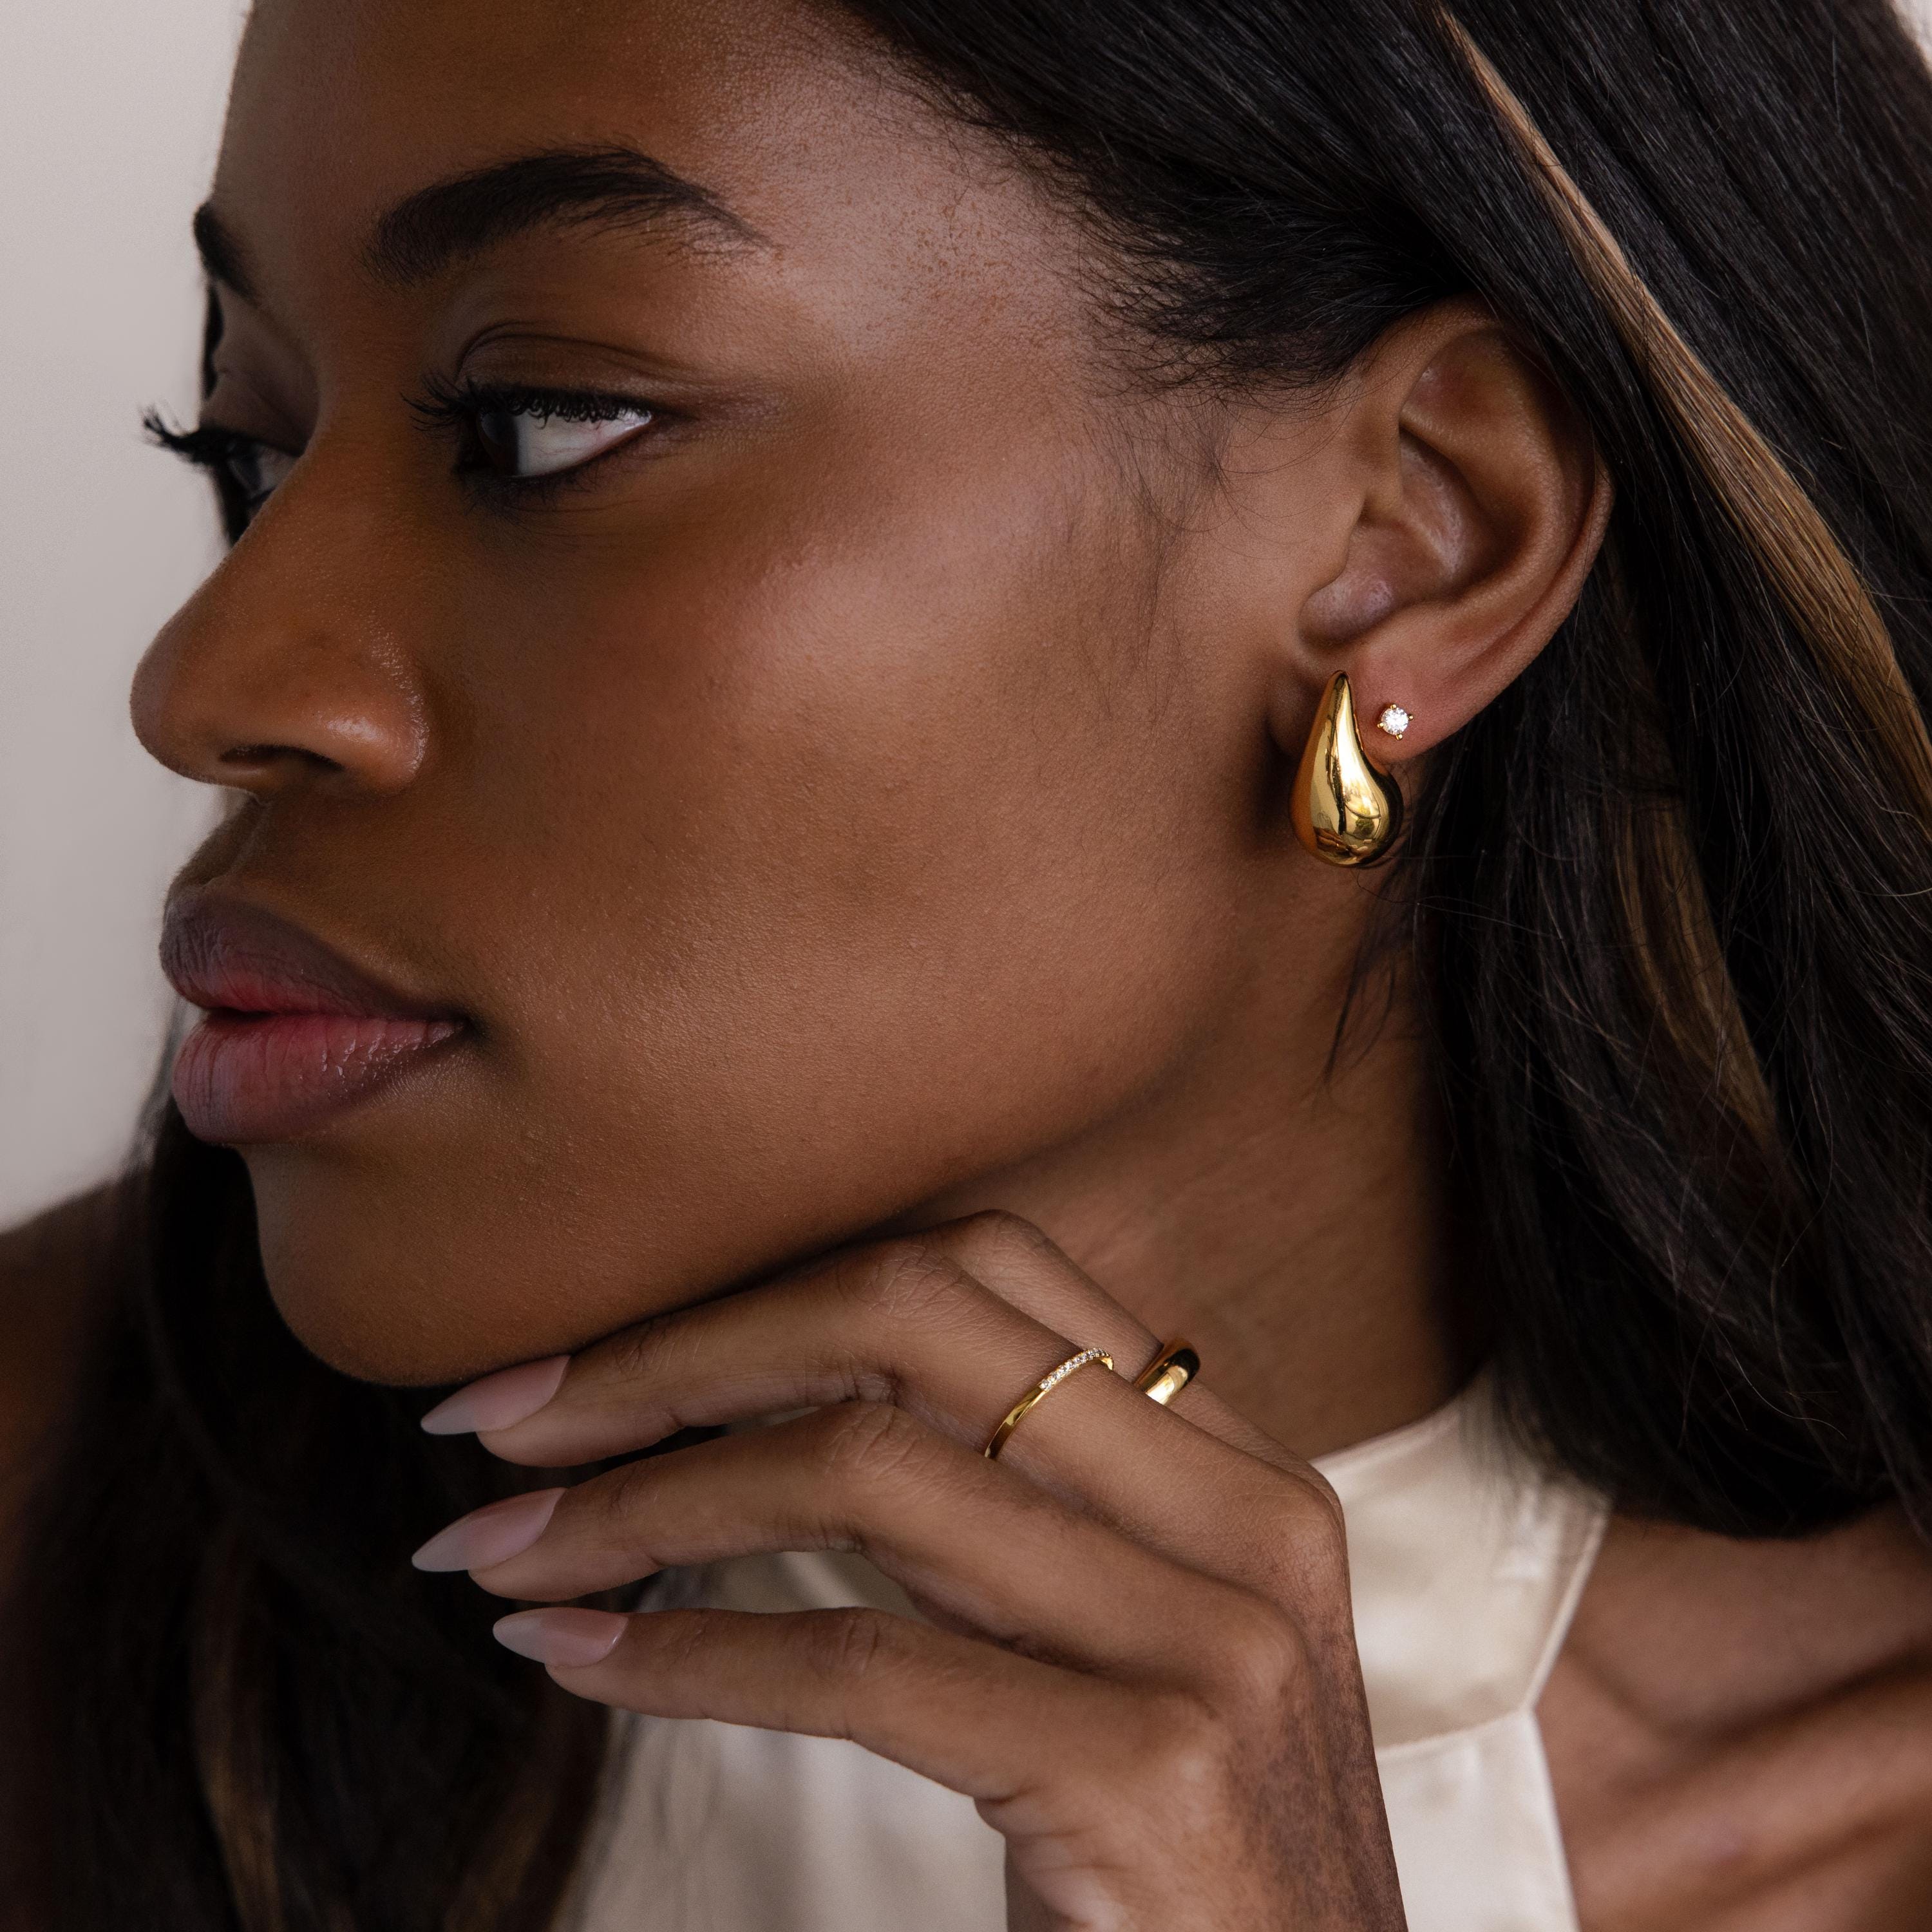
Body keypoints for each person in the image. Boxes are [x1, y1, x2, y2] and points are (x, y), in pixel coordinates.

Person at [8, 0, 1932, 1924]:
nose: (210, 685)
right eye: (245, 449)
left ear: (1420, 536)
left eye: (541, 425)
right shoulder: (51, 1552)